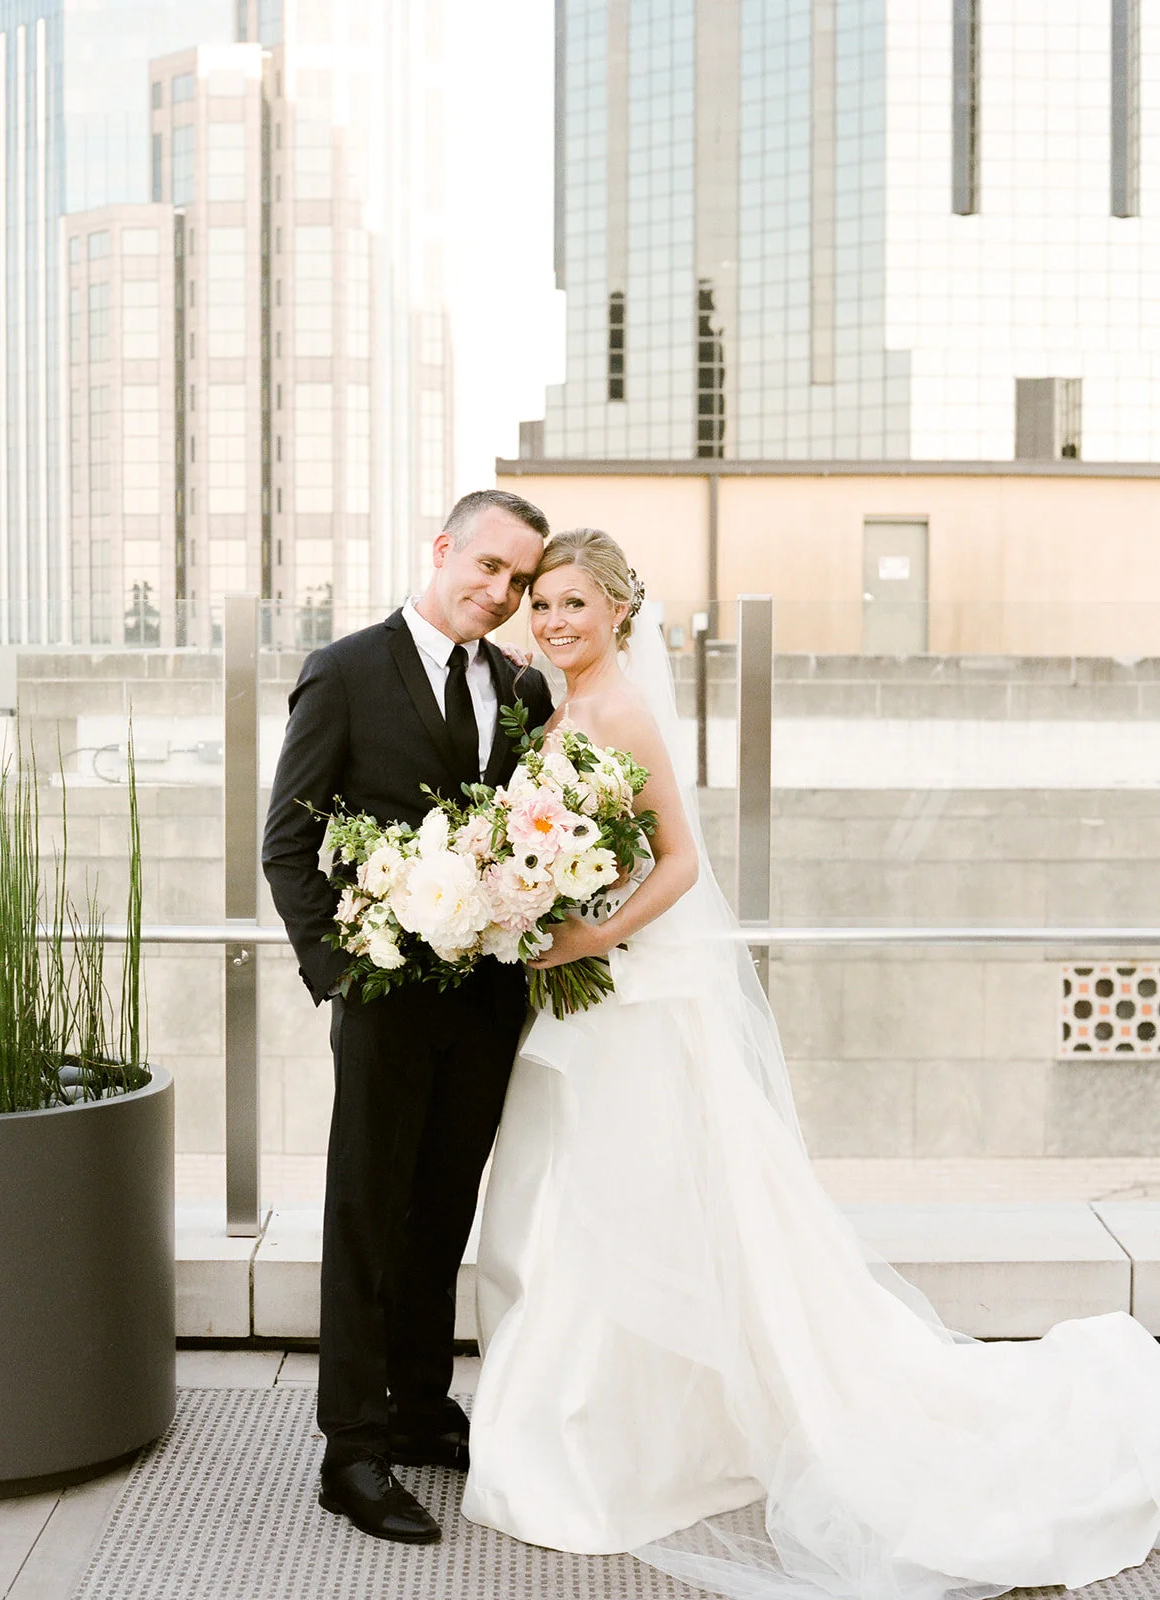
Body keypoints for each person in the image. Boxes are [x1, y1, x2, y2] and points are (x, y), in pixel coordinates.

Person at [462, 526, 1160, 1599]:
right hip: (583, 1001)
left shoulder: (623, 710)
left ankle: (619, 1437)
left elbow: (681, 861)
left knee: (625, 1204)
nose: (552, 623)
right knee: (586, 1204)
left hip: (636, 999)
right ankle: (632, 1419)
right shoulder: (556, 705)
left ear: (617, 613)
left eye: (573, 606)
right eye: (542, 606)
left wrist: (589, 933)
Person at [262, 489, 553, 1547]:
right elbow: (289, 844)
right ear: (441, 550)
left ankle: (422, 1405)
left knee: (444, 1207)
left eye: (519, 580)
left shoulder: (518, 686)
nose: (501, 591)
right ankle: (352, 1447)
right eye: (487, 567)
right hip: (383, 1001)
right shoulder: (343, 671)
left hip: (486, 1004)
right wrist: (342, 972)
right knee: (368, 1215)